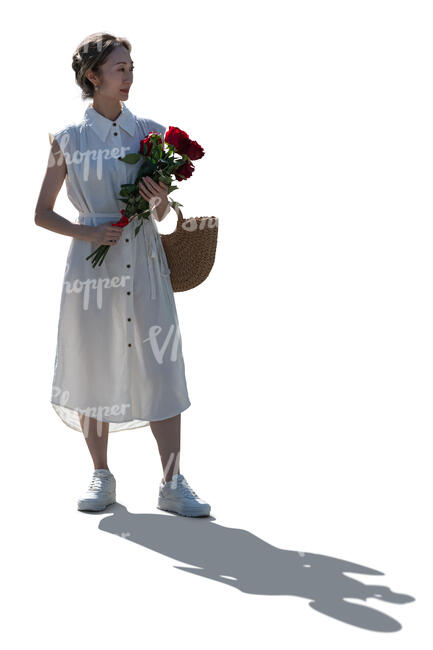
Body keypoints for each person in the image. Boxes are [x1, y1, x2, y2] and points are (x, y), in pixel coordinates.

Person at [34, 32, 211, 518]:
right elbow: (42, 214)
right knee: (93, 363)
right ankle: (102, 475)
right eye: (119, 68)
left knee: (161, 363)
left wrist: (157, 200)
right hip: (92, 272)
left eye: (131, 67)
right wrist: (88, 234)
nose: (129, 75)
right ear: (93, 76)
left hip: (146, 261)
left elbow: (161, 214)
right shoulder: (66, 139)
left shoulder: (149, 134)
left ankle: (172, 482)